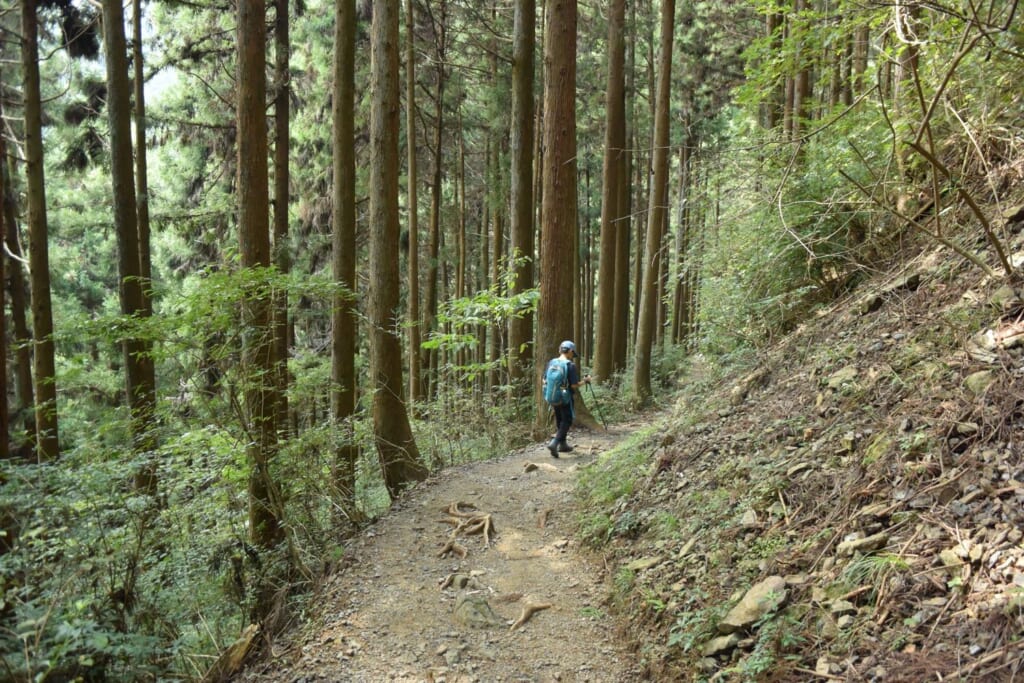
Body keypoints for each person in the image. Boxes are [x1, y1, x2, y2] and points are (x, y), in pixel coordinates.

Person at [544, 340, 590, 458]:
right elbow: (574, 385)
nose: (572, 357)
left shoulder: (552, 362)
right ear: (570, 351)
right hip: (565, 397)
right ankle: (555, 443)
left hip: (552, 395)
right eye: (572, 354)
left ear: (560, 350)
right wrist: (585, 381)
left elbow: (544, 380)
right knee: (567, 420)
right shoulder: (570, 365)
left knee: (560, 419)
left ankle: (563, 445)